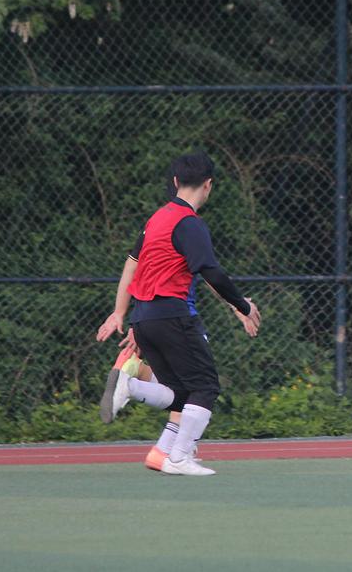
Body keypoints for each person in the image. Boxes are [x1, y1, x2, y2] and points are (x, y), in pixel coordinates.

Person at [96, 151, 261, 476]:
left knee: (181, 393)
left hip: (143, 319)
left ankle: (133, 390)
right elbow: (211, 272)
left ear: (175, 182)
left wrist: (120, 312)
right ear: (208, 185)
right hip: (174, 317)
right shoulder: (189, 224)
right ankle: (178, 456)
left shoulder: (156, 220)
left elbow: (132, 265)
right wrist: (242, 306)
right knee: (206, 388)